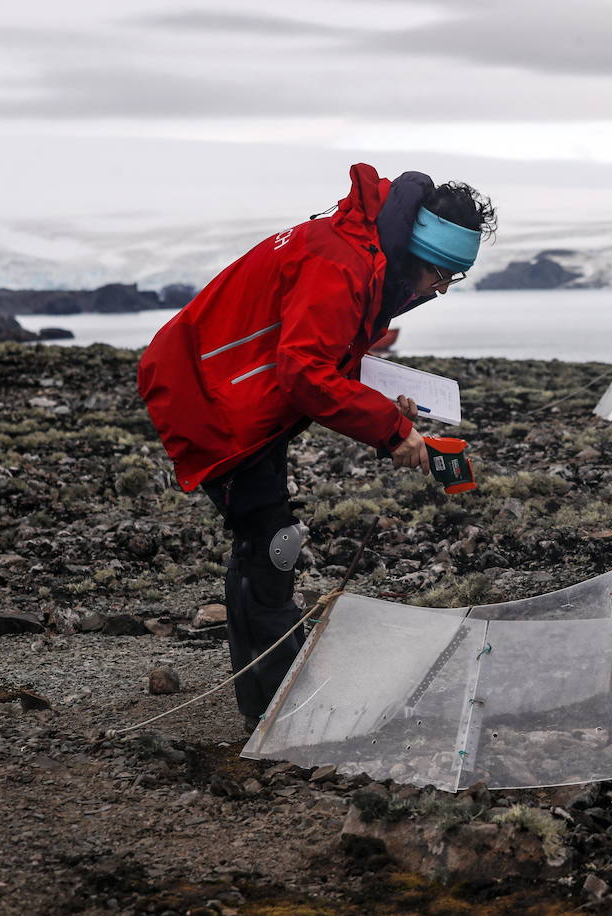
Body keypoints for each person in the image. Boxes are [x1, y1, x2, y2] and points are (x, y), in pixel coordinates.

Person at [137, 163, 496, 730]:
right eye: (441, 272)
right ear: (417, 248)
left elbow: (323, 352)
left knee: (261, 542)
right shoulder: (342, 260)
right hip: (211, 394)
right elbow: (302, 370)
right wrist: (390, 429)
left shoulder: (365, 250)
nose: (441, 289)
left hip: (241, 392)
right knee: (271, 544)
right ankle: (284, 713)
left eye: (454, 277)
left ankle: (267, 706)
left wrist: (387, 409)